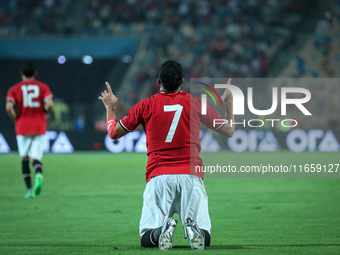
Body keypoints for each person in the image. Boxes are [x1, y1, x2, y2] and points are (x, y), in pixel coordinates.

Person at [98, 60, 234, 250]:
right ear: (183, 81)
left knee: (146, 238)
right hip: (191, 177)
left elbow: (113, 133)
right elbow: (229, 130)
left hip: (159, 176)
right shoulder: (196, 104)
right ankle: (195, 230)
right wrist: (229, 103)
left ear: (158, 81)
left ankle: (161, 231)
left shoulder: (144, 106)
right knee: (206, 237)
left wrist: (110, 107)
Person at [6, 62, 54, 198]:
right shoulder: (43, 87)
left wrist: (16, 118)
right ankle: (38, 173)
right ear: (35, 74)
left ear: (21, 74)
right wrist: (44, 111)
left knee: (24, 158)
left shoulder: (14, 89)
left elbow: (9, 108)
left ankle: (29, 191)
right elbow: (49, 103)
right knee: (35, 158)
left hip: (22, 127)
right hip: (39, 126)